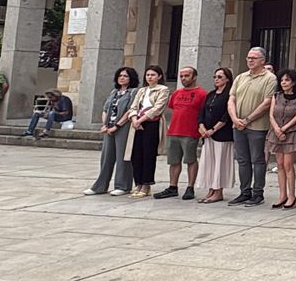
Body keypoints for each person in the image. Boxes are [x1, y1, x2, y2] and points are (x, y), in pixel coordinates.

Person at [228, 47, 276, 207]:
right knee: (242, 160)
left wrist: (247, 119)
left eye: (254, 58)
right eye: (248, 57)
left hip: (257, 126)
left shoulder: (270, 78)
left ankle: (257, 193)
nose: (250, 60)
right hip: (238, 125)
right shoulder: (241, 77)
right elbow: (231, 99)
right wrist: (235, 118)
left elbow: (267, 102)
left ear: (262, 60)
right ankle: (244, 191)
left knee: (257, 159)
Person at [85, 67, 138, 196]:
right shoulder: (114, 92)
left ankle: (123, 185)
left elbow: (130, 111)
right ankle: (100, 186)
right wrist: (105, 125)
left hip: (123, 127)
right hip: (109, 127)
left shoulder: (134, 92)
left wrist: (117, 126)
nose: (122, 78)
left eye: (125, 76)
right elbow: (105, 109)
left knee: (122, 156)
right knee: (106, 157)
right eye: (120, 75)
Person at [156, 67, 207, 200]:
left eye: (186, 76)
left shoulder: (202, 94)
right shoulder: (177, 93)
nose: (183, 78)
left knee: (190, 159)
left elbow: (204, 113)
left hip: (190, 132)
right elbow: (172, 109)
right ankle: (173, 186)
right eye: (181, 76)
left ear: (194, 77)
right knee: (173, 161)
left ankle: (190, 187)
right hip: (173, 131)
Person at [126, 65, 170, 198]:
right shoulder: (142, 91)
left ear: (159, 76)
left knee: (148, 154)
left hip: (151, 123)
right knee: (136, 154)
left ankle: (146, 185)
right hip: (137, 124)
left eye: (153, 75)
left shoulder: (163, 90)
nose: (150, 77)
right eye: (148, 75)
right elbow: (133, 107)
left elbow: (157, 108)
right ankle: (138, 183)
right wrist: (134, 119)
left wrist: (141, 120)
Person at [266, 69, 296, 209]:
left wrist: (284, 129)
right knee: (280, 164)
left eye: (287, 80)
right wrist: (277, 129)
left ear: (294, 82)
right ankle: (282, 195)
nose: (284, 83)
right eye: (282, 80)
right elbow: (271, 114)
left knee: (289, 164)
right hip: (276, 132)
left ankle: (292, 196)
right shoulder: (276, 95)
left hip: (291, 133)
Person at [197, 67, 236, 203]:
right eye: (215, 77)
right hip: (207, 134)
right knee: (209, 162)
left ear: (227, 79)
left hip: (222, 134)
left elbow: (227, 116)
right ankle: (210, 189)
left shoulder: (230, 95)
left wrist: (213, 129)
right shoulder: (211, 94)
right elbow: (202, 112)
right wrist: (201, 127)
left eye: (220, 77)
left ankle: (218, 191)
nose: (216, 79)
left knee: (220, 163)